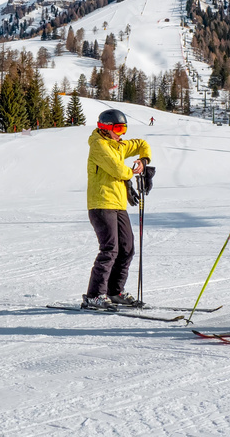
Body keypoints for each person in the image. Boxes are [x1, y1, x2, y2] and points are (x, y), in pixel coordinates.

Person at [83, 109, 152, 309]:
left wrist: (143, 160)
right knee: (109, 249)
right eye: (118, 128)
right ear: (105, 128)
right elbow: (118, 169)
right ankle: (94, 295)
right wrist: (133, 171)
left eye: (124, 128)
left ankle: (114, 292)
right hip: (101, 204)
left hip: (118, 205)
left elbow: (141, 144)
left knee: (127, 248)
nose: (122, 133)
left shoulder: (118, 145)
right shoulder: (99, 146)